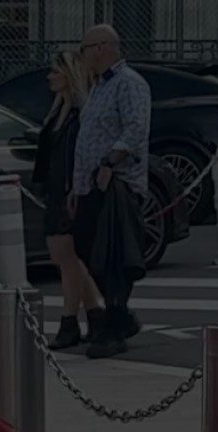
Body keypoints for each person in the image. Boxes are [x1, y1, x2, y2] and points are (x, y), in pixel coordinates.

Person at [72, 24, 152, 359]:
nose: (82, 55)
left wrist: (110, 162)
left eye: (84, 48)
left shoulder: (129, 83)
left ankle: (115, 321)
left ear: (101, 47)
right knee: (87, 247)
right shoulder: (99, 87)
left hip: (117, 183)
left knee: (113, 255)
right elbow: (88, 136)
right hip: (91, 184)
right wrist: (77, 186)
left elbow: (135, 127)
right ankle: (120, 315)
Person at [34, 50, 106, 349]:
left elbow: (82, 155)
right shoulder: (59, 112)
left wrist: (75, 188)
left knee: (67, 258)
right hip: (56, 190)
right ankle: (96, 315)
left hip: (70, 192)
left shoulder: (79, 114)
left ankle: (69, 321)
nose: (49, 77)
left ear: (69, 75)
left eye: (55, 71)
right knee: (67, 259)